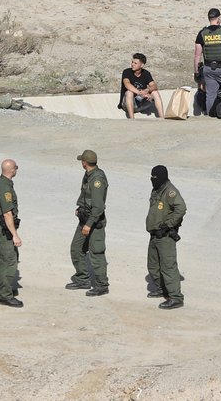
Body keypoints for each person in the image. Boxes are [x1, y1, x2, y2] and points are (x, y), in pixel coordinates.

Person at [67, 149, 110, 296]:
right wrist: (80, 209)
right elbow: (86, 196)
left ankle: (102, 285)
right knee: (76, 248)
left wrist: (89, 224)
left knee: (96, 253)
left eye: (81, 161)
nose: (81, 163)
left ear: (84, 163)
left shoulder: (97, 179)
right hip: (84, 219)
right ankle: (82, 279)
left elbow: (98, 207)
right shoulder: (88, 175)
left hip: (94, 223)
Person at [145, 165, 186, 309]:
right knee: (153, 265)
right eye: (151, 177)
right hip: (154, 234)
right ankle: (161, 289)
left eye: (155, 178)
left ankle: (175, 297)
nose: (152, 180)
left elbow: (181, 208)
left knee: (168, 267)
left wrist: (168, 224)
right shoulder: (157, 189)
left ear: (162, 177)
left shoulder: (170, 191)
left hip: (165, 235)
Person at [0, 158, 23, 308]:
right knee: (10, 260)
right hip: (4, 229)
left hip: (0, 227)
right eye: (16, 167)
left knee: (9, 257)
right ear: (11, 170)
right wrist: (15, 235)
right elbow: (7, 214)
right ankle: (4, 295)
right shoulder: (5, 188)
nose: (17, 169)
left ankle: (4, 288)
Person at [120, 53, 165, 119]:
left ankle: (162, 118)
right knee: (129, 92)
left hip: (141, 104)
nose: (132, 64)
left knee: (154, 92)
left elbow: (154, 86)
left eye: (135, 63)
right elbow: (127, 84)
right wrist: (140, 93)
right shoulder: (127, 72)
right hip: (128, 105)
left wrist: (147, 90)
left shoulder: (146, 73)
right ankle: (132, 119)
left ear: (142, 65)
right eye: (132, 62)